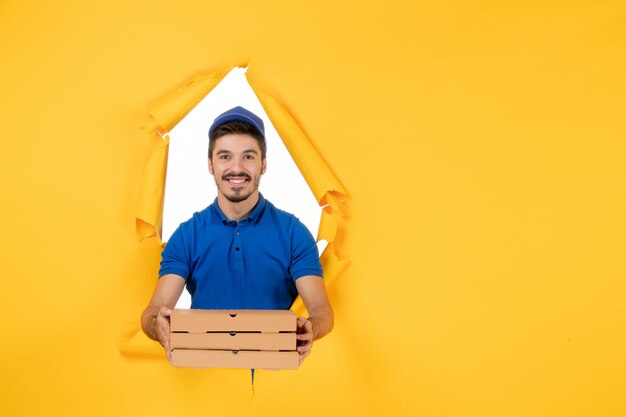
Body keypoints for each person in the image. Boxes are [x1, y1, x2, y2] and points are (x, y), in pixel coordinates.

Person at [141, 106, 334, 366]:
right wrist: (157, 325)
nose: (236, 168)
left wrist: (313, 328)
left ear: (263, 164)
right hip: (206, 381)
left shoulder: (293, 233)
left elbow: (322, 310)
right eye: (224, 157)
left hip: (274, 381)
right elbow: (154, 311)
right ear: (210, 164)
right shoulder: (187, 235)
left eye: (248, 157)